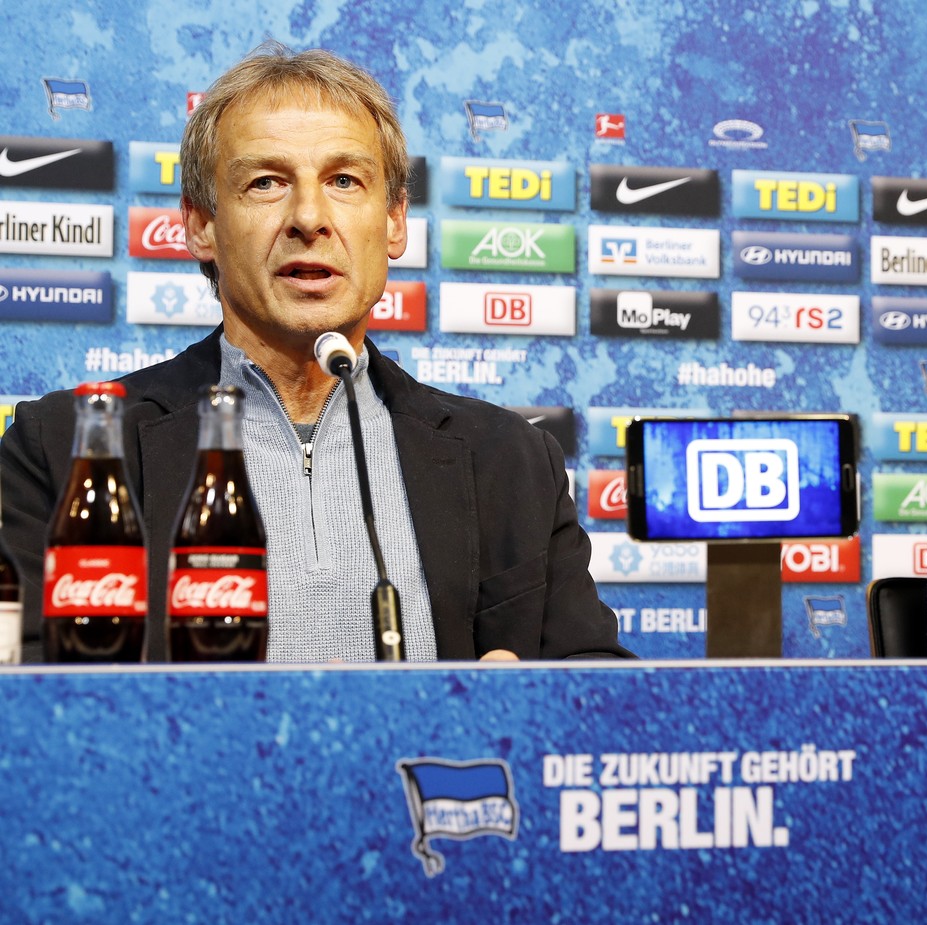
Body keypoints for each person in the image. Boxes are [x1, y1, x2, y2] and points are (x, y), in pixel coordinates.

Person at [0, 43, 631, 662]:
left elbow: (596, 693)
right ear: (200, 226)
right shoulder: (60, 450)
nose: (309, 217)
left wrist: (523, 708)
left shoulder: (513, 459)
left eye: (345, 180)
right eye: (267, 182)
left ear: (394, 223)